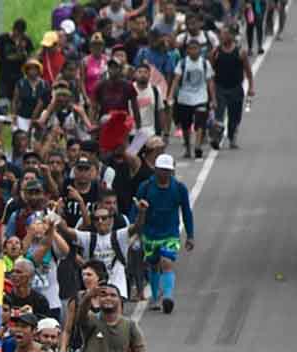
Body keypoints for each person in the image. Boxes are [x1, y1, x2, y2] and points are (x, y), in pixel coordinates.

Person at [136, 153, 195, 313]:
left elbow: (187, 212)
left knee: (166, 262)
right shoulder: (146, 187)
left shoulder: (179, 188)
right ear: (155, 170)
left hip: (170, 234)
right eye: (162, 170)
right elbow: (135, 208)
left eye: (168, 170)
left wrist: (190, 235)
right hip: (150, 234)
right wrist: (134, 229)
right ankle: (155, 297)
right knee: (154, 265)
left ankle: (168, 296)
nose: (164, 174)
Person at [59, 200, 148, 300]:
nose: (100, 221)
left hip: (117, 290)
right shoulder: (88, 238)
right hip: (95, 291)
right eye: (96, 219)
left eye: (104, 218)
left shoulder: (120, 236)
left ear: (111, 220)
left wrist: (141, 212)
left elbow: (137, 227)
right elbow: (65, 230)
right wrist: (58, 213)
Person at [168, 38, 216, 159]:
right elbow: (176, 80)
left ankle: (197, 146)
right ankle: (188, 147)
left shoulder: (205, 63)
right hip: (185, 98)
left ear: (200, 50)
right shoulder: (183, 63)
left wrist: (213, 98)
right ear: (187, 51)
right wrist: (170, 95)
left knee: (200, 123)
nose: (193, 51)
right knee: (185, 125)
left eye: (196, 48)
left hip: (201, 97)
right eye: (190, 48)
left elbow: (210, 82)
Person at [209, 24, 255, 150]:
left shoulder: (240, 52)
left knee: (235, 117)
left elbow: (248, 72)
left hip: (236, 88)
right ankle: (216, 139)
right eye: (221, 34)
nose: (222, 36)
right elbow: (210, 74)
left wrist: (251, 87)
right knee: (219, 115)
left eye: (225, 34)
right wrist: (212, 94)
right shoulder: (215, 52)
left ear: (232, 36)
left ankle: (231, 136)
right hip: (220, 88)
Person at [0, 18, 34, 112]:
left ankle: (14, 123)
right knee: (3, 103)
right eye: (15, 32)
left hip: (19, 77)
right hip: (4, 77)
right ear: (13, 29)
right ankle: (2, 123)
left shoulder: (27, 41)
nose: (16, 36)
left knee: (17, 104)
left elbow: (30, 61)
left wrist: (23, 51)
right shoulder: (3, 39)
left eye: (20, 33)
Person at [12, 58, 48, 133]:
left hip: (38, 119)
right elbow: (15, 100)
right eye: (30, 68)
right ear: (26, 70)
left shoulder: (44, 84)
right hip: (23, 117)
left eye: (35, 68)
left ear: (38, 70)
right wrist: (14, 115)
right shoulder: (21, 83)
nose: (32, 71)